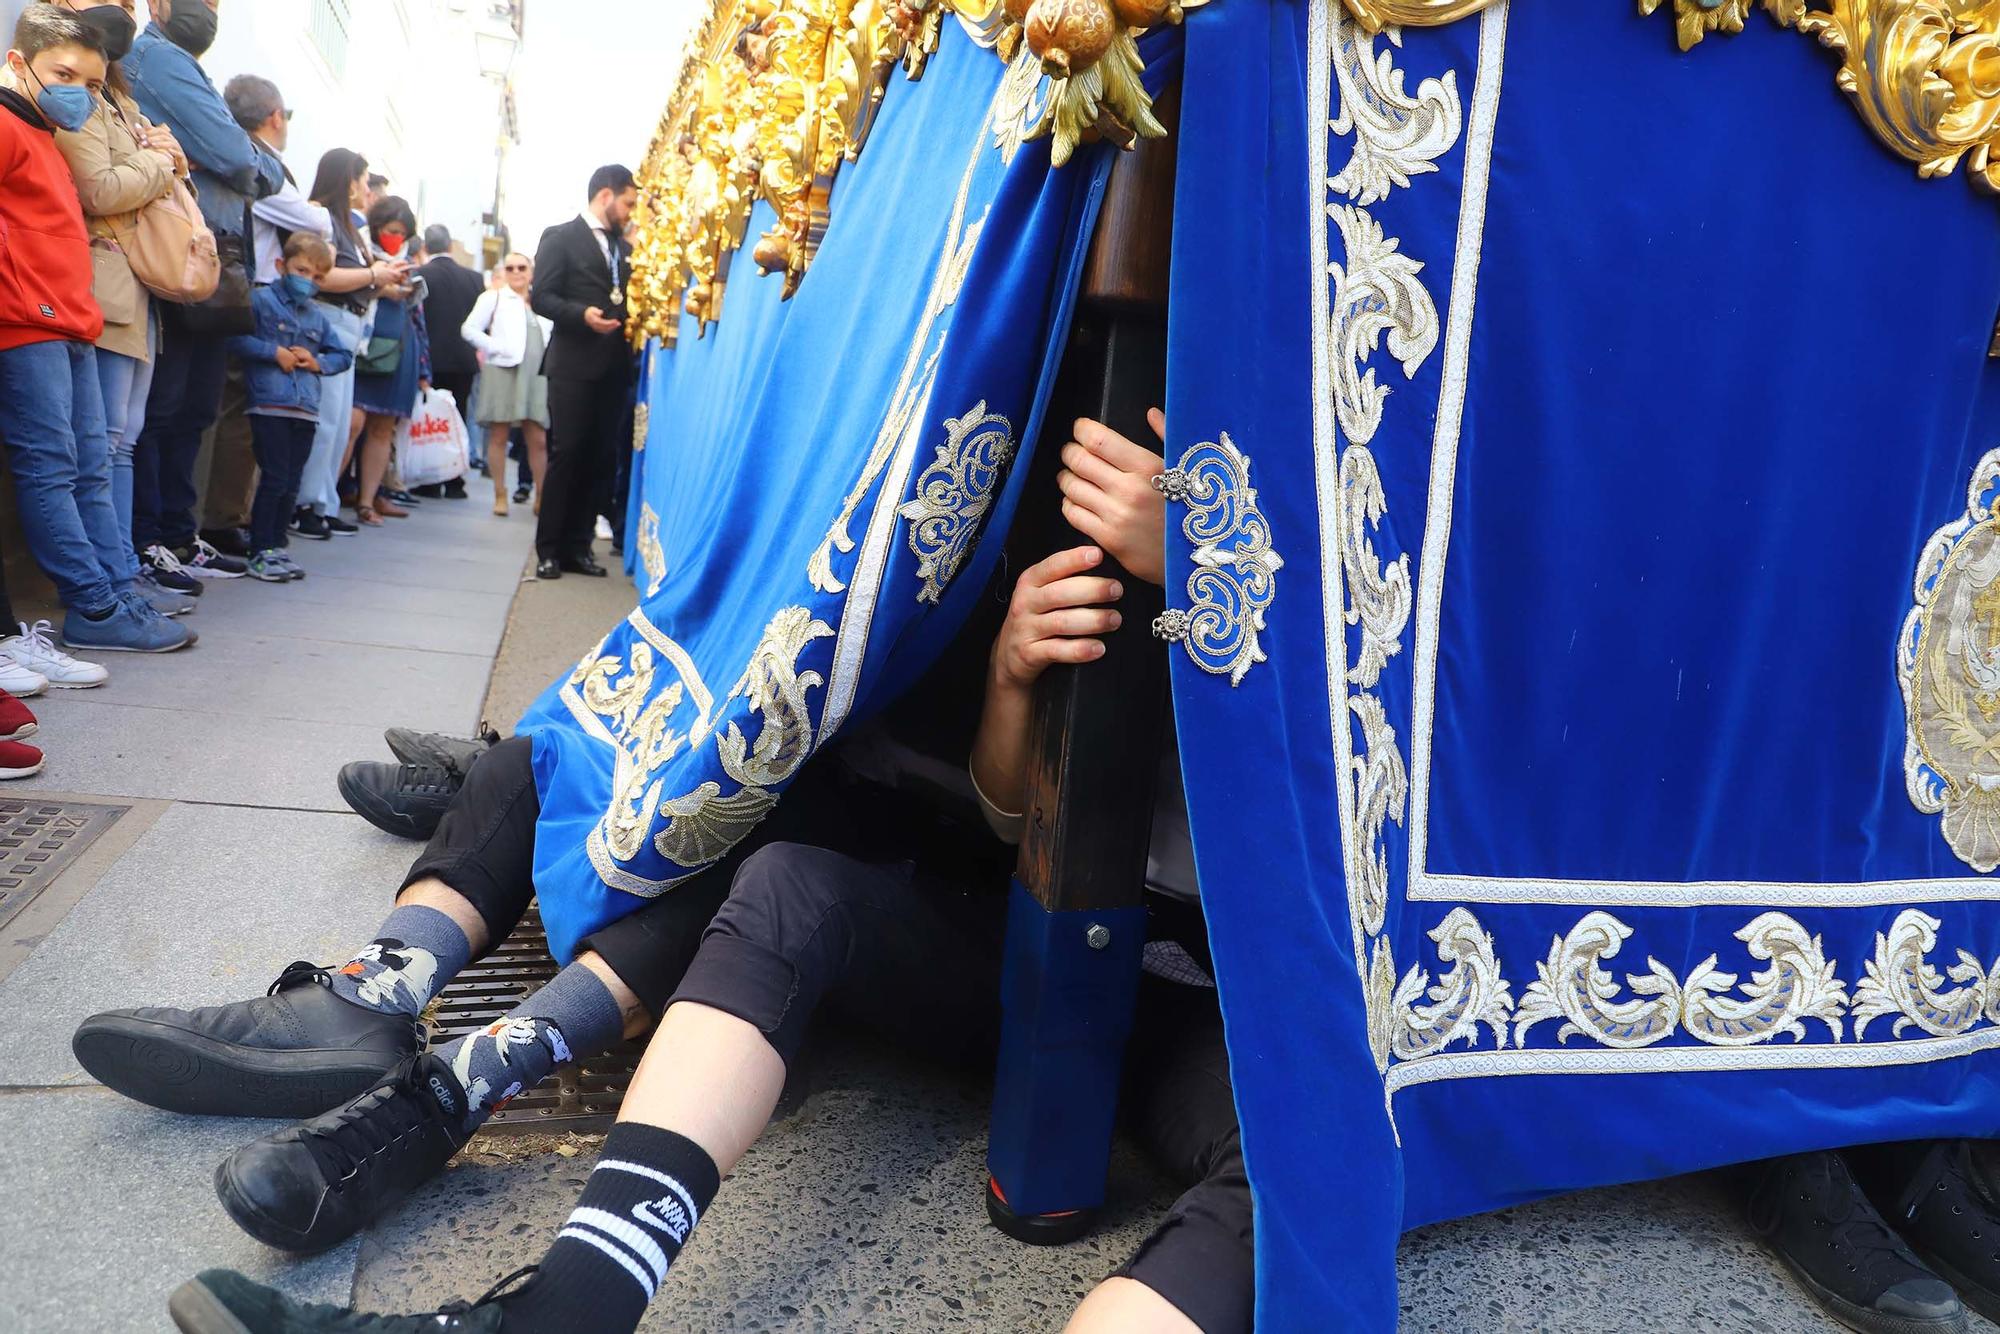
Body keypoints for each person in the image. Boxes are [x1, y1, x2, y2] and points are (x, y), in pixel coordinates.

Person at [0, 4, 191, 655]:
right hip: (29, 326)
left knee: (87, 465)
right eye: (63, 75)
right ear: (19, 62)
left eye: (88, 82)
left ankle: (108, 595)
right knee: (56, 467)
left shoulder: (43, 134)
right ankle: (95, 605)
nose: (78, 93)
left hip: (70, 321)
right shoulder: (6, 126)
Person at [45, 0, 198, 616]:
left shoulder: (121, 101)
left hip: (139, 285)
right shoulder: (77, 103)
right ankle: (108, 585)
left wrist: (170, 160)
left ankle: (122, 572)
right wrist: (159, 161)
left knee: (122, 441)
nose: (126, 10)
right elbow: (101, 189)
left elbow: (158, 180)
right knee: (102, 443)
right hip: (104, 279)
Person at [124, 0, 282, 593]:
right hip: (177, 254)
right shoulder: (157, 59)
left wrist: (239, 158)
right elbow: (242, 157)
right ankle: (149, 541)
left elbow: (258, 170)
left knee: (191, 410)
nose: (209, 9)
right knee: (162, 410)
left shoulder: (188, 67)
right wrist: (238, 157)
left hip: (213, 261)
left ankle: (177, 535)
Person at [186, 71, 329, 569]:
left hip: (240, 292)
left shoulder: (239, 155)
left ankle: (233, 518)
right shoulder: (254, 162)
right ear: (275, 117)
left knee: (227, 416)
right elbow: (318, 223)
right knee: (237, 418)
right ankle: (223, 520)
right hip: (247, 297)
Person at [530, 164, 636, 580]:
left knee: (600, 459)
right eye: (627, 203)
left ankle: (579, 547)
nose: (630, 212)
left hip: (613, 367)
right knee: (568, 452)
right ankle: (549, 549)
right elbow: (542, 297)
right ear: (605, 195)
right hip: (573, 363)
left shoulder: (623, 248)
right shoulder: (561, 237)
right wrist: (581, 315)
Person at [291, 148, 403, 540]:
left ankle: (323, 500)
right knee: (326, 420)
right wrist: (373, 274)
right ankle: (305, 503)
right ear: (348, 180)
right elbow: (323, 277)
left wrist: (379, 280)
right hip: (330, 319)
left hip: (349, 322)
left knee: (337, 425)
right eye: (363, 178)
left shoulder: (349, 226)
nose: (367, 187)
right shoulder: (323, 217)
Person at [229, 233, 350, 583]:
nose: (307, 281)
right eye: (302, 270)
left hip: (305, 407)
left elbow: (342, 354)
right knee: (275, 477)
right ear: (282, 266)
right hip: (270, 405)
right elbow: (235, 337)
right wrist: (273, 352)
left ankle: (276, 545)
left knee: (291, 482)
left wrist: (316, 362)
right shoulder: (262, 301)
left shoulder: (317, 316)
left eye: (316, 276)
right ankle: (261, 550)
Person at [350, 196, 428, 525]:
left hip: (399, 345)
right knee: (352, 424)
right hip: (362, 344)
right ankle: (323, 499)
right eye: (388, 230)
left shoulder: (409, 262)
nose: (393, 236)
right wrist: (380, 286)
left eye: (400, 232)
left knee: (383, 428)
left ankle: (368, 500)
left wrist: (425, 366)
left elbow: (419, 317)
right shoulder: (361, 250)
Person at [460, 252, 549, 517]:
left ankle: (542, 495)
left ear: (531, 271)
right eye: (510, 268)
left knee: (538, 437)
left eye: (521, 267)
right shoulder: (494, 297)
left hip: (536, 372)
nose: (516, 272)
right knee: (499, 434)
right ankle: (500, 494)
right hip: (502, 369)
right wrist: (495, 347)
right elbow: (469, 328)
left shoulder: (542, 300)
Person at [414, 223, 483, 500]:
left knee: (430, 418)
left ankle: (430, 480)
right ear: (450, 246)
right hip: (463, 359)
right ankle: (455, 480)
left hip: (430, 358)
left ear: (425, 248)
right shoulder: (474, 279)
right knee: (459, 418)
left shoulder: (420, 275)